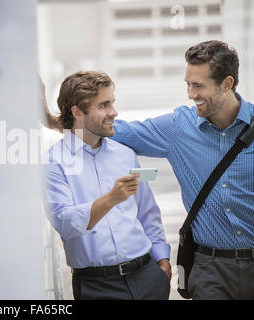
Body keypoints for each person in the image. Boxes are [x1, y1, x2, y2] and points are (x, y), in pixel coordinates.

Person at [109, 40, 254, 300]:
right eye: (187, 84)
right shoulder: (179, 128)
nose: (190, 94)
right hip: (210, 269)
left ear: (227, 83)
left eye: (198, 86)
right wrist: (59, 121)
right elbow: (119, 132)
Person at [44, 71, 171, 300]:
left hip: (148, 277)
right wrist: (111, 199)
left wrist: (162, 261)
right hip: (96, 288)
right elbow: (64, 222)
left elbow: (147, 213)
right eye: (104, 105)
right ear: (77, 112)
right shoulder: (54, 162)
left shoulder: (125, 154)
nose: (114, 112)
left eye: (112, 102)